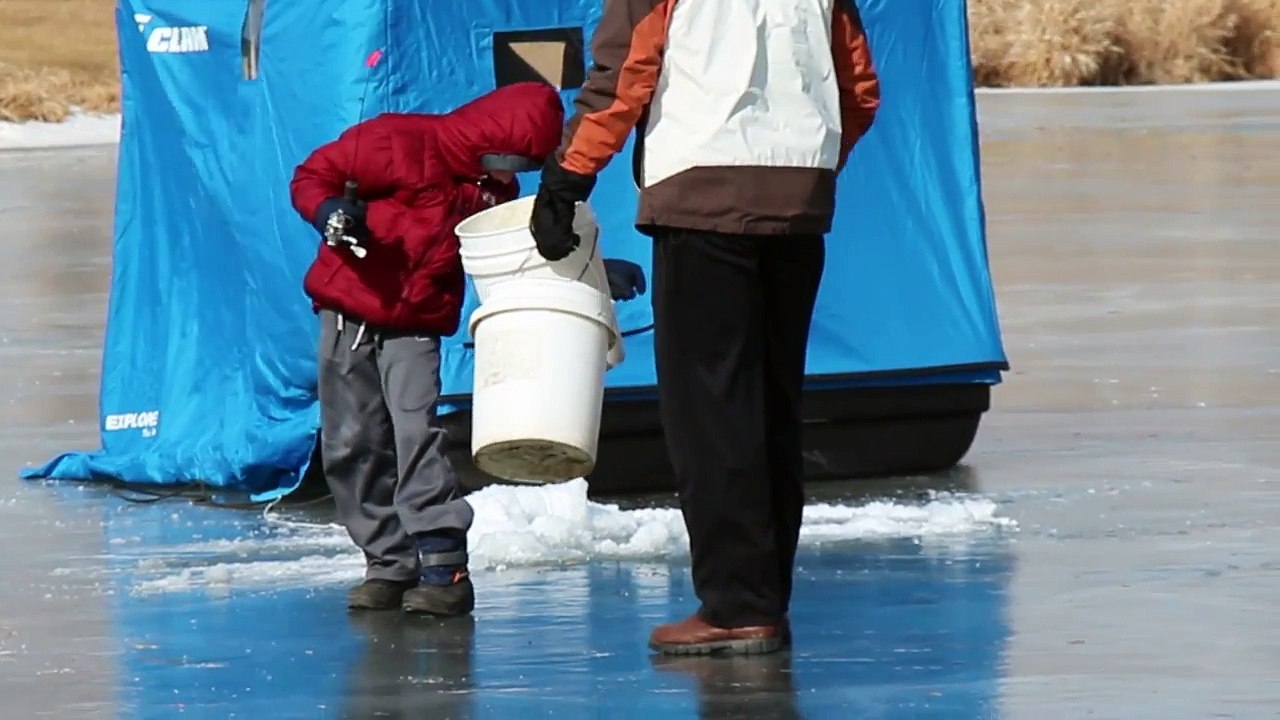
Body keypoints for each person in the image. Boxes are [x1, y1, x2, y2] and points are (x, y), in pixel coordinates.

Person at [529, 0, 881, 654]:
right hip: (799, 203)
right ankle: (765, 598)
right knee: (774, 406)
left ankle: (735, 606)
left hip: (702, 202)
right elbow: (858, 88)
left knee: (711, 412)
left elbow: (622, 76)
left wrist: (565, 181)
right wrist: (805, 168)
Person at [289, 81, 645, 616]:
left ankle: (443, 564)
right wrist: (329, 212)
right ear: (484, 143)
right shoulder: (394, 142)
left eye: (518, 165)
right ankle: (388, 563)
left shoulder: (490, 190)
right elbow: (313, 175)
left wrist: (590, 270)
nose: (509, 177)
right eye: (505, 162)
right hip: (349, 314)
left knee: (416, 434)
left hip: (416, 325)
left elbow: (523, 248)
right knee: (351, 441)